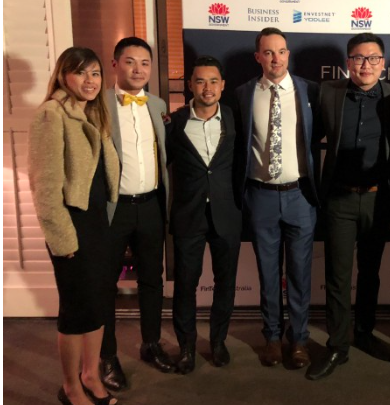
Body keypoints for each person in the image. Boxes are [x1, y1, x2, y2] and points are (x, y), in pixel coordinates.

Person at [306, 33, 390, 381]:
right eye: (359, 58)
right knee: (337, 275)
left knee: (371, 273)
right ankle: (337, 345)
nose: (366, 65)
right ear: (348, 63)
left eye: (373, 58)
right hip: (339, 199)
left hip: (380, 200)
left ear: (383, 63)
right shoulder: (328, 93)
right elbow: (307, 135)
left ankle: (364, 333)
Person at [28, 47, 120, 405]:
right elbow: (45, 189)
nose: (90, 80)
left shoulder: (93, 113)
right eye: (81, 72)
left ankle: (90, 375)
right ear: (64, 75)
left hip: (97, 224)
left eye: (95, 73)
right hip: (71, 227)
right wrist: (62, 240)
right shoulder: (51, 114)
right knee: (76, 310)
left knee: (98, 305)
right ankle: (70, 388)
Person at [232, 27, 320, 369]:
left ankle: (298, 340)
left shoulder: (308, 90)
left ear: (288, 54)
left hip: (300, 196)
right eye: (268, 52)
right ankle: (271, 337)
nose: (276, 58)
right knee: (268, 274)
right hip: (261, 197)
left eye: (281, 51)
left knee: (300, 274)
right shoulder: (243, 94)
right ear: (258, 57)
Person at [100, 37, 174, 390]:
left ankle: (151, 344)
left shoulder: (158, 105)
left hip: (151, 206)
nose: (138, 69)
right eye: (130, 61)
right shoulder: (98, 104)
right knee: (105, 285)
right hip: (112, 209)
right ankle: (106, 356)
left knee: (152, 280)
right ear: (115, 64)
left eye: (145, 63)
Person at [167, 56, 242, 374]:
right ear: (190, 85)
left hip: (227, 213)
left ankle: (218, 341)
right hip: (189, 215)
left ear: (222, 85)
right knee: (185, 284)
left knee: (226, 282)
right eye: (200, 81)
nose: (207, 87)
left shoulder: (235, 119)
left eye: (213, 81)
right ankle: (186, 347)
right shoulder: (174, 123)